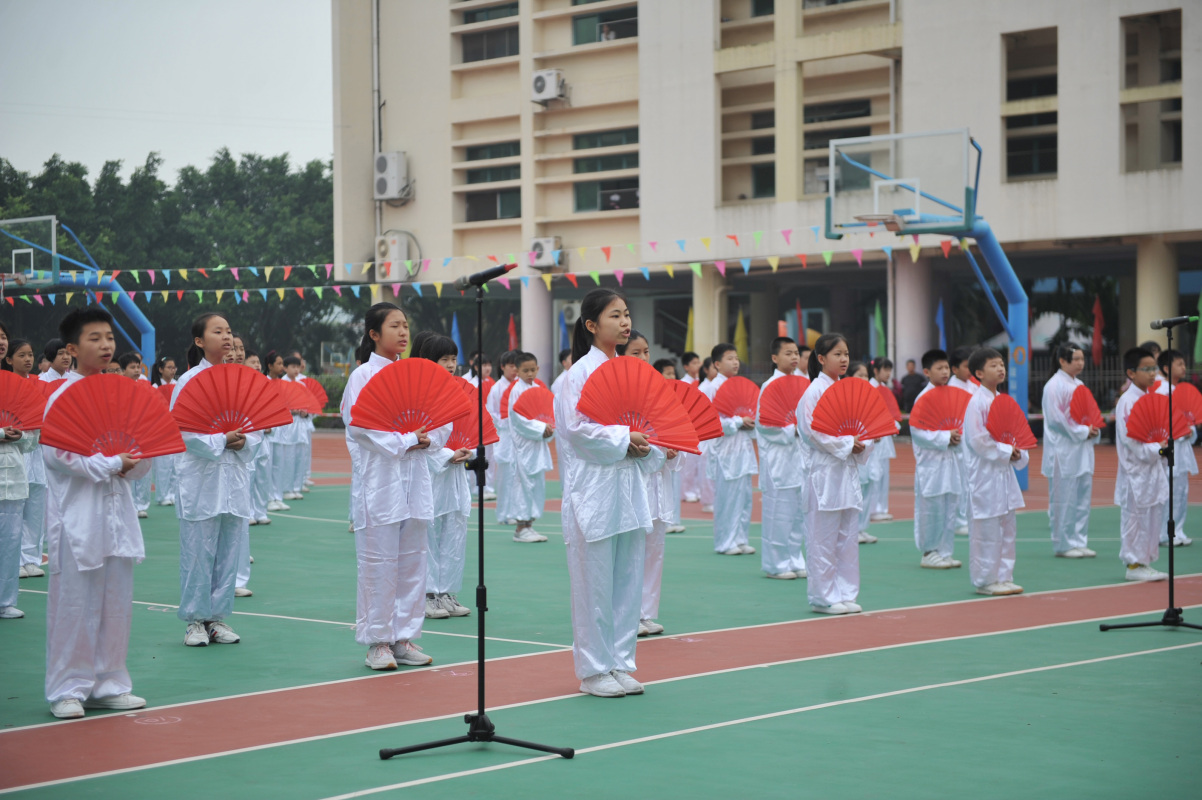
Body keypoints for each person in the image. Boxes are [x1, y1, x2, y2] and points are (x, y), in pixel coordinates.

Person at [42, 307, 149, 718]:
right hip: (77, 518)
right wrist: (112, 462)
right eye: (94, 338)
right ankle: (67, 687)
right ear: (71, 349)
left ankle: (110, 680)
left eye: (109, 337)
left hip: (118, 512)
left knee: (116, 601)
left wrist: (131, 462)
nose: (106, 345)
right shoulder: (59, 398)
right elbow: (59, 456)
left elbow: (142, 454)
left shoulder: (122, 394)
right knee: (73, 603)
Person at [555, 288, 655, 698]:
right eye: (616, 315)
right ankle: (593, 670)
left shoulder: (632, 372)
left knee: (628, 580)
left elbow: (653, 422)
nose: (625, 322)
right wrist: (622, 437)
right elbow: (576, 432)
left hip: (629, 487)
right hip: (592, 491)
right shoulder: (576, 376)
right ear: (592, 325)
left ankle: (620, 662)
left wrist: (649, 443)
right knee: (593, 583)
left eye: (627, 314)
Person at [342, 302, 437, 670]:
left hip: (415, 481)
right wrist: (406, 439)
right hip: (380, 484)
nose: (403, 332)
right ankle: (377, 641)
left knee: (413, 561)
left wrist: (429, 438)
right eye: (394, 325)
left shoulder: (415, 374)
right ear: (374, 334)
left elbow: (438, 421)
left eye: (405, 325)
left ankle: (404, 637)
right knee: (378, 562)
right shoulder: (362, 377)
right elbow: (360, 427)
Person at [172, 313, 261, 646]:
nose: (226, 337)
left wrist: (245, 440)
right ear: (199, 341)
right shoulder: (188, 381)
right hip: (201, 478)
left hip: (234, 475)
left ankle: (218, 618)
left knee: (228, 550)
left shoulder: (241, 379)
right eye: (217, 331)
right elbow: (181, 430)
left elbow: (255, 426)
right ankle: (195, 620)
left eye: (229, 331)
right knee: (198, 550)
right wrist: (222, 439)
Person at [796, 333, 869, 614]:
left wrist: (862, 444)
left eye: (847, 354)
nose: (844, 359)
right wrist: (849, 443)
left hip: (846, 471)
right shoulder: (813, 392)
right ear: (822, 358)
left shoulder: (848, 389)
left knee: (847, 536)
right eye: (837, 354)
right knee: (822, 537)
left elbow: (864, 425)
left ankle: (846, 591)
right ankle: (823, 596)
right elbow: (813, 432)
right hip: (823, 473)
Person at [618, 331, 680, 636]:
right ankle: (627, 613)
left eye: (646, 352)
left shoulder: (660, 392)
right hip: (632, 481)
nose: (643, 359)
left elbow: (673, 433)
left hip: (658, 481)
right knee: (631, 551)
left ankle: (645, 613)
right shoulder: (615, 392)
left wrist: (671, 451)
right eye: (635, 353)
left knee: (654, 548)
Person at [963, 347, 1029, 596]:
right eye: (993, 365)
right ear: (979, 373)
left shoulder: (1003, 402)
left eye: (1001, 364)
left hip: (1004, 475)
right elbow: (978, 440)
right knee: (986, 529)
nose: (1000, 368)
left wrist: (1018, 452)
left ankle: (1004, 575)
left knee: (1007, 526)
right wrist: (1005, 451)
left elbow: (1018, 435)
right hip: (985, 475)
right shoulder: (977, 402)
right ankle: (984, 579)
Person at [418, 335, 472, 619]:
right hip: (428, 475)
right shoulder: (418, 394)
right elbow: (419, 442)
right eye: (444, 360)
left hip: (453, 475)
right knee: (429, 534)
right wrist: (445, 455)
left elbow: (473, 430)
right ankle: (427, 594)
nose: (451, 365)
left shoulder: (460, 392)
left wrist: (465, 451)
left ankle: (447, 591)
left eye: (454, 359)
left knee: (454, 532)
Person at [1041, 345, 1101, 558]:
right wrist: (1083, 431)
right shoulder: (1053, 386)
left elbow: (1089, 413)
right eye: (1075, 359)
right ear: (1062, 361)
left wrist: (1092, 430)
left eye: (1082, 359)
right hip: (1063, 449)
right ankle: (1063, 544)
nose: (1080, 363)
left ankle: (1079, 540)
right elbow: (1057, 420)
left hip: (1082, 449)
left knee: (1082, 497)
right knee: (1063, 499)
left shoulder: (1080, 385)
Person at [1115, 346, 1169, 581]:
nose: (1151, 373)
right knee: (1135, 517)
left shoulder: (1151, 399)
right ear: (1131, 373)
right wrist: (1159, 449)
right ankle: (1133, 565)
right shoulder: (1127, 402)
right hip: (1135, 470)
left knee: (1152, 515)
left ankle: (1145, 561)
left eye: (1154, 369)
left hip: (1153, 468)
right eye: (1146, 369)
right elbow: (1131, 441)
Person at [755, 336, 807, 579]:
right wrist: (791, 429)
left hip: (800, 458)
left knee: (798, 514)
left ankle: (795, 558)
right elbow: (764, 425)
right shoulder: (769, 386)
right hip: (778, 460)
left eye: (796, 352)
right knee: (778, 513)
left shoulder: (805, 383)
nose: (794, 357)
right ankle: (776, 564)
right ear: (775, 358)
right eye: (788, 353)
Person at [700, 343, 758, 556]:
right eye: (729, 358)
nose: (735, 362)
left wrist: (749, 423)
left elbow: (752, 418)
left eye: (736, 358)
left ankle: (741, 539)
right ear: (716, 364)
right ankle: (725, 541)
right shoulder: (713, 388)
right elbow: (710, 422)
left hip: (743, 448)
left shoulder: (741, 386)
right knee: (728, 499)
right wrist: (737, 421)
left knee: (744, 498)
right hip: (725, 450)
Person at [910, 350, 964, 569]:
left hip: (951, 461)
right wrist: (945, 437)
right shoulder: (923, 398)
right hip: (931, 464)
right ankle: (929, 551)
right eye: (939, 368)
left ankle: (945, 550)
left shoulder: (952, 395)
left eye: (946, 368)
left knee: (950, 506)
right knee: (931, 508)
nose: (944, 372)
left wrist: (957, 437)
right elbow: (918, 432)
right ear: (926, 372)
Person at [0, 333, 37, 608]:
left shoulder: (21, 391)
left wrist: (19, 436)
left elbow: (32, 440)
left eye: (2, 336)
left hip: (13, 476)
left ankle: (6, 600)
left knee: (11, 542)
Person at [7, 340, 48, 580]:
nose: (28, 359)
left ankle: (32, 558)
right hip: (12, 451)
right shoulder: (5, 383)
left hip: (36, 450)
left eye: (31, 354)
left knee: (35, 509)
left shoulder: (39, 384)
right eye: (21, 355)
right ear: (9, 360)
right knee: (16, 510)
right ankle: (17, 560)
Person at [507, 351, 554, 543]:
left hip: (538, 445)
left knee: (536, 485)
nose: (530, 374)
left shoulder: (537, 388)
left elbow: (547, 413)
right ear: (517, 371)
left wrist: (549, 429)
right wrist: (541, 428)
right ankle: (520, 527)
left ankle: (530, 524)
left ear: (538, 369)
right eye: (525, 370)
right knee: (523, 485)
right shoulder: (516, 391)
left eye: (532, 370)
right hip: (523, 446)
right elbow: (519, 420)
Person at [1156, 349, 1195, 547]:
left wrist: (1190, 430)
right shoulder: (1161, 391)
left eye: (1183, 363)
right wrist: (1179, 431)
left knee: (1181, 490)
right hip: (1171, 448)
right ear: (1165, 368)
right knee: (1169, 490)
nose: (1183, 367)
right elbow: (1161, 422)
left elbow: (1190, 419)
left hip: (1183, 447)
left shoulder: (1180, 391)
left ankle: (1178, 529)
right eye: (1179, 364)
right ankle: (1164, 532)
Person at [116, 353, 153, 519]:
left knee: (144, 470)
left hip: (142, 435)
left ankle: (142, 505)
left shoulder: (145, 387)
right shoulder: (116, 389)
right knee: (126, 470)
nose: (137, 370)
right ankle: (127, 504)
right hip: (123, 437)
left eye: (138, 367)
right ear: (123, 370)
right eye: (132, 367)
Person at [847, 362, 880, 545]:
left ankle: (862, 527)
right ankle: (854, 529)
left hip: (868, 449)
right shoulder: (846, 398)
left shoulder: (870, 397)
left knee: (867, 488)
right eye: (859, 375)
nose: (864, 379)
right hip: (852, 450)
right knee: (855, 490)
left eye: (866, 375)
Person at [947, 345, 978, 535]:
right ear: (955, 369)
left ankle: (968, 516)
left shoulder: (974, 387)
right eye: (966, 367)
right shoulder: (949, 389)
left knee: (971, 481)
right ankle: (959, 521)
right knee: (958, 481)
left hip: (972, 442)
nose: (970, 371)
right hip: (956, 443)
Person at [488, 350, 520, 525]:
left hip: (518, 439)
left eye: (517, 366)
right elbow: (493, 415)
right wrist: (508, 423)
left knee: (517, 478)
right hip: (504, 438)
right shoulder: (497, 389)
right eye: (511, 366)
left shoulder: (519, 386)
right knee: (505, 479)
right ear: (502, 367)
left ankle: (515, 511)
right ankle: (503, 514)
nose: (514, 369)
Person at [866, 357, 898, 525]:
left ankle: (882, 508)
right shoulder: (869, 388)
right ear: (876, 371)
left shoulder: (886, 389)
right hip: (873, 437)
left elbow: (892, 414)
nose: (888, 374)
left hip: (885, 437)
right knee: (874, 474)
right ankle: (873, 509)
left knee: (884, 474)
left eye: (889, 370)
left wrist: (894, 424)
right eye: (885, 370)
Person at [243, 350, 273, 528]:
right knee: (249, 475)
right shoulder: (241, 384)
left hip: (263, 437)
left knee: (262, 475)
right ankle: (248, 512)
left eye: (257, 362)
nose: (257, 365)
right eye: (252, 361)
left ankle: (261, 511)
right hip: (248, 437)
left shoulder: (265, 383)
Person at [151, 356, 181, 508]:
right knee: (163, 465)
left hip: (176, 429)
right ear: (160, 369)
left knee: (175, 464)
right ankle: (162, 495)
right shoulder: (154, 387)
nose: (172, 370)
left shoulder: (178, 385)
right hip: (161, 429)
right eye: (169, 367)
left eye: (174, 367)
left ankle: (174, 493)